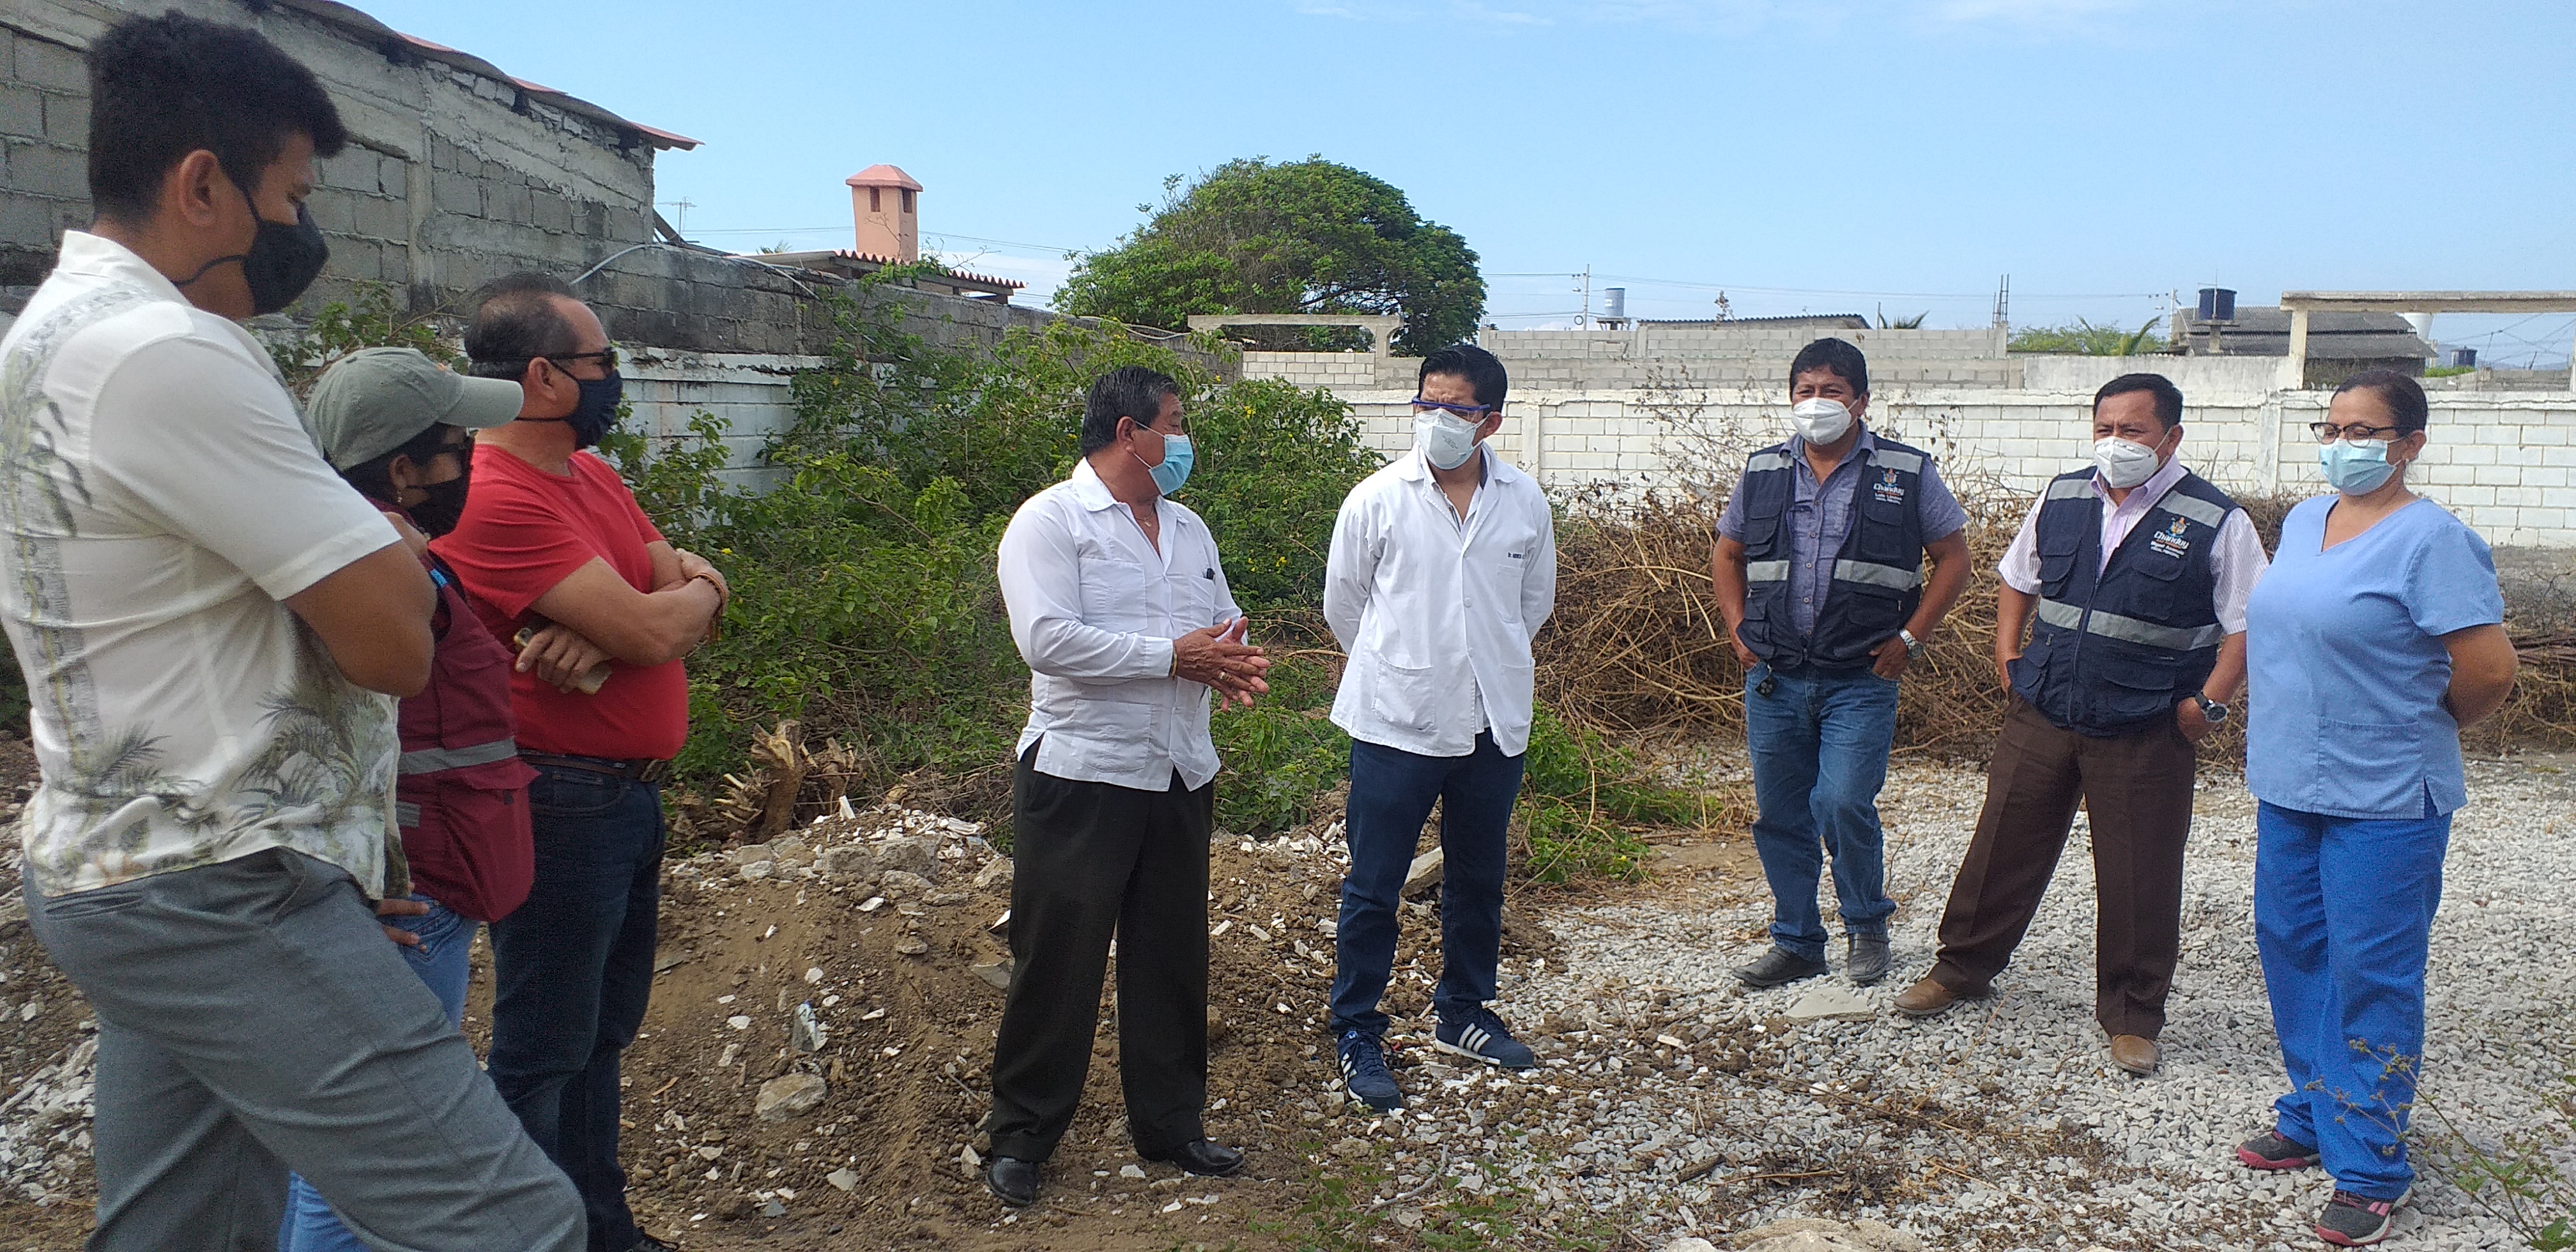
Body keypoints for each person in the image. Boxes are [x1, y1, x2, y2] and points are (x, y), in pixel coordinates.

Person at [0, 15, 583, 1251]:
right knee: (516, 1223)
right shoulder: (172, 350)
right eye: (294, 195)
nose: (302, 230)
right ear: (201, 186)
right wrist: (388, 566)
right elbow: (393, 643)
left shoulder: (45, 339)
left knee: (193, 1228)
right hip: (216, 885)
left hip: (134, 860)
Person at [436, 273, 728, 1252]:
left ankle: (603, 1232)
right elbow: (655, 621)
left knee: (601, 1037)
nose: (615, 377)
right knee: (544, 1051)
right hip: (558, 803)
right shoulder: (493, 493)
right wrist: (663, 613)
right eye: (603, 362)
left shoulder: (589, 476)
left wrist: (680, 596)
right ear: (544, 377)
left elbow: (670, 584)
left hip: (622, 801)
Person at [1894, 372, 2269, 1079]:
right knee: (2003, 840)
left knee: (2139, 868)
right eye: (2105, 428)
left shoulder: (2217, 520)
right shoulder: (2064, 495)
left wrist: (2210, 702)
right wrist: (2008, 652)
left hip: (2147, 720)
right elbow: (2018, 576)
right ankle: (1962, 968)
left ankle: (2132, 1014)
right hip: (2045, 704)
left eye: (2133, 430)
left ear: (2171, 438)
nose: (2115, 442)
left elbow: (2250, 620)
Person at [2232, 370, 2515, 1247]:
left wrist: (2421, 725)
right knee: (2293, 950)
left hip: (2386, 796)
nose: (2342, 443)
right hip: (2290, 781)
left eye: (2363, 430)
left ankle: (2370, 1164)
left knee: (2371, 972)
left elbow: (2490, 670)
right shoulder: (2306, 521)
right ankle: (2315, 1111)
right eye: (2331, 427)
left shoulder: (2434, 541)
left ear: (2410, 444)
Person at [984, 366, 1271, 1207]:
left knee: (1172, 956)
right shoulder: (1051, 522)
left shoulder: (1189, 528)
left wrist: (1228, 657)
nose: (1184, 441)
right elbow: (1046, 639)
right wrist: (1172, 657)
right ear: (1127, 433)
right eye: (1174, 424)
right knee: (1059, 961)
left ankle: (1172, 1126)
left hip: (1180, 769)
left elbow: (1221, 619)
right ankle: (1022, 1137)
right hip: (1084, 774)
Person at [280, 347, 542, 1251]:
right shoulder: (369, 572)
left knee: (347, 1151)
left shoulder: (387, 559)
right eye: (459, 450)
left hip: (420, 879)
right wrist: (337, 881)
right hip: (401, 894)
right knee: (373, 1156)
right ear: (403, 470)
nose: (470, 466)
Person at [1323, 343, 1558, 1111]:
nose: (1438, 419)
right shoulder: (1377, 499)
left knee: (1478, 877)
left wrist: (1474, 664)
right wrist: (1405, 668)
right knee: (1374, 883)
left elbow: (1532, 605)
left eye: (1457, 408)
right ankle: (1357, 1027)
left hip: (1492, 721)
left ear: (1491, 421)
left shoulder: (1523, 501)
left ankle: (1463, 1011)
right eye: (1428, 403)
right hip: (1397, 723)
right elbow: (1344, 605)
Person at [1712, 337, 1972, 989]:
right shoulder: (1764, 469)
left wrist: (1911, 638)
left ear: (1861, 401)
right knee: (1780, 816)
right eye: (1806, 391)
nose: (1817, 403)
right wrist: (1738, 629)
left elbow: (1955, 558)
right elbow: (1727, 554)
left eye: (1832, 391)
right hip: (1774, 678)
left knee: (1843, 802)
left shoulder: (1905, 471)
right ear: (1790, 397)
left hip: (1860, 677)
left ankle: (1866, 926)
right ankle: (1798, 941)